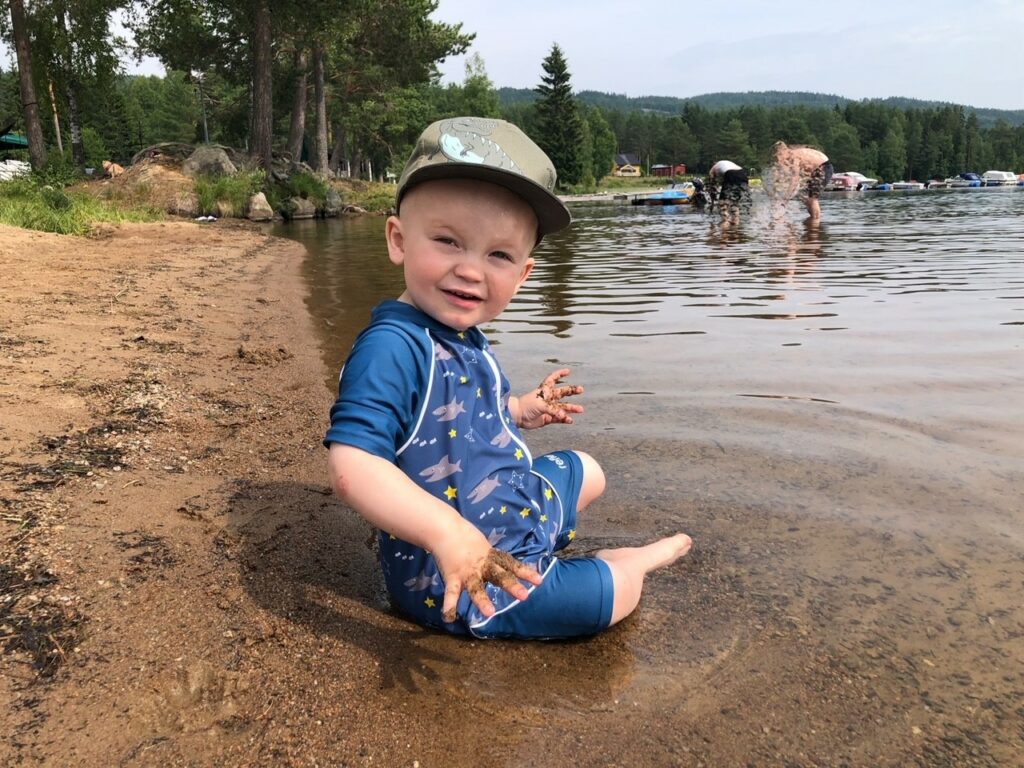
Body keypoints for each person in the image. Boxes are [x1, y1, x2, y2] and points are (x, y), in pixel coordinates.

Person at [324, 117, 692, 640]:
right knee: (616, 593)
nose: (472, 270)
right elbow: (352, 466)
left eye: (498, 254)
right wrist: (448, 533)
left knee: (588, 469)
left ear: (523, 275)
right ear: (398, 240)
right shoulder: (393, 347)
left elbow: (468, 417)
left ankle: (546, 541)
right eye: (449, 241)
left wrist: (520, 410)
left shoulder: (463, 331)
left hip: (504, 506)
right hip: (462, 573)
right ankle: (622, 563)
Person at [766, 141, 833, 221]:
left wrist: (785, 200)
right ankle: (812, 220)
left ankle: (815, 224)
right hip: (816, 169)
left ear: (783, 151)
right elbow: (785, 178)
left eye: (779, 156)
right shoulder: (791, 155)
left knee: (812, 199)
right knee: (805, 198)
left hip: (823, 167)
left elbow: (794, 180)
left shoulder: (794, 157)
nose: (779, 159)